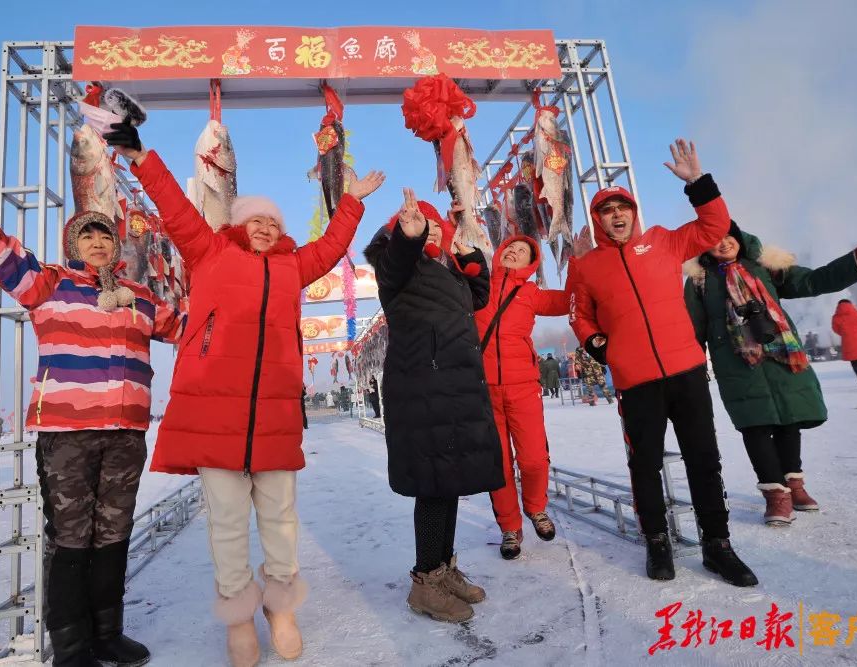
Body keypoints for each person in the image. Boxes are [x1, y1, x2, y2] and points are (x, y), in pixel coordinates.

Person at [107, 121, 384, 667]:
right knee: (228, 526)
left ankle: (281, 608)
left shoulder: (292, 265)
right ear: (238, 224)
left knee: (281, 521)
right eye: (255, 220)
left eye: (273, 222)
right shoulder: (209, 252)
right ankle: (238, 617)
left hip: (275, 417)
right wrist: (140, 157)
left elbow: (331, 247)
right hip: (216, 415)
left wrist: (351, 201)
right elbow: (174, 208)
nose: (264, 227)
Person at [0, 144, 185, 667]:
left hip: (126, 434)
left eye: (106, 235)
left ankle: (107, 632)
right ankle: (71, 647)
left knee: (114, 534)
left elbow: (194, 329)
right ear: (73, 245)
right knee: (71, 537)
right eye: (88, 236)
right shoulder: (47, 284)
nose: (98, 243)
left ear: (117, 245)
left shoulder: (141, 298)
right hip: (67, 435)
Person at [568, 138, 757, 587]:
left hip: (686, 370)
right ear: (598, 220)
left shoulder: (664, 242)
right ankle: (657, 542)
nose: (617, 215)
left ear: (633, 212)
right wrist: (601, 346)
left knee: (703, 459)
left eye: (623, 207)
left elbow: (714, 226)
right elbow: (579, 313)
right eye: (607, 210)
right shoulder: (587, 265)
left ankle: (718, 545)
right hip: (636, 382)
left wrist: (697, 183)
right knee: (645, 465)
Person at [685, 224, 857, 525]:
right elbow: (692, 327)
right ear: (704, 245)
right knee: (755, 426)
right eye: (714, 239)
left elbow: (811, 281)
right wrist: (692, 369)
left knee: (789, 420)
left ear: (739, 237)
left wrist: (854, 265)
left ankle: (794, 485)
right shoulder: (699, 280)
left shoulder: (765, 265)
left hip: (782, 354)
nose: (724, 243)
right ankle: (776, 495)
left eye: (728, 235)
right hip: (736, 361)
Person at [363, 188, 501, 623]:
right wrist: (409, 236)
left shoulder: (445, 272)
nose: (434, 232)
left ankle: (443, 569)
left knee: (449, 482)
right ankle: (425, 581)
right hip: (424, 390)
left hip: (454, 389)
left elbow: (478, 297)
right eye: (426, 226)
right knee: (433, 485)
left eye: (436, 226)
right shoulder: (398, 270)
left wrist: (468, 254)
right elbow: (397, 260)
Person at [475, 235, 569, 559]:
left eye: (523, 252)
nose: (514, 252)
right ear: (499, 253)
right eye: (510, 248)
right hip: (484, 390)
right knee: (498, 465)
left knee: (534, 459)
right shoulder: (478, 287)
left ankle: (535, 507)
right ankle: (510, 528)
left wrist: (578, 261)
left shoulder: (530, 293)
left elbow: (568, 300)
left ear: (531, 264)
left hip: (523, 387)